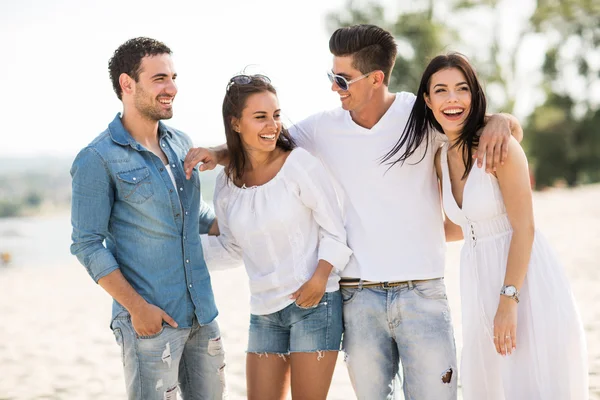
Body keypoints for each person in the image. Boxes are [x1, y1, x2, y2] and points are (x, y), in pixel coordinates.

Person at [184, 25, 522, 399]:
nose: (334, 87)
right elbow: (263, 140)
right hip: (357, 299)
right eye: (332, 77)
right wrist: (218, 153)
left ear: (376, 78)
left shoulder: (419, 116)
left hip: (423, 294)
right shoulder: (322, 129)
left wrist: (503, 121)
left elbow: (473, 126)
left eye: (342, 79)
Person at [386, 52, 588, 399]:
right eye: (442, 90)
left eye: (462, 89)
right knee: (490, 384)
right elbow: (464, 227)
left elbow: (524, 227)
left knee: (532, 380)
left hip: (525, 281)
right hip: (478, 281)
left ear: (474, 95)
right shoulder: (439, 157)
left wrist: (509, 300)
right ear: (427, 100)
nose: (452, 99)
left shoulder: (499, 148)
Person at [70, 37, 226, 400]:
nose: (171, 88)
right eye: (159, 78)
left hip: (203, 314)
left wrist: (242, 227)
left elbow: (194, 213)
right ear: (128, 84)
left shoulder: (180, 142)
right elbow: (86, 244)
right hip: (150, 324)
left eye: (173, 77)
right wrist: (138, 310)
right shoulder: (97, 157)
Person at [201, 74, 352, 400]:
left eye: (276, 115)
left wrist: (320, 277)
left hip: (315, 304)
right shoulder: (227, 184)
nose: (272, 125)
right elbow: (230, 248)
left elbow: (335, 228)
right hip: (264, 311)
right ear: (236, 124)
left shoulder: (299, 164)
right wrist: (172, 251)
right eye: (260, 117)